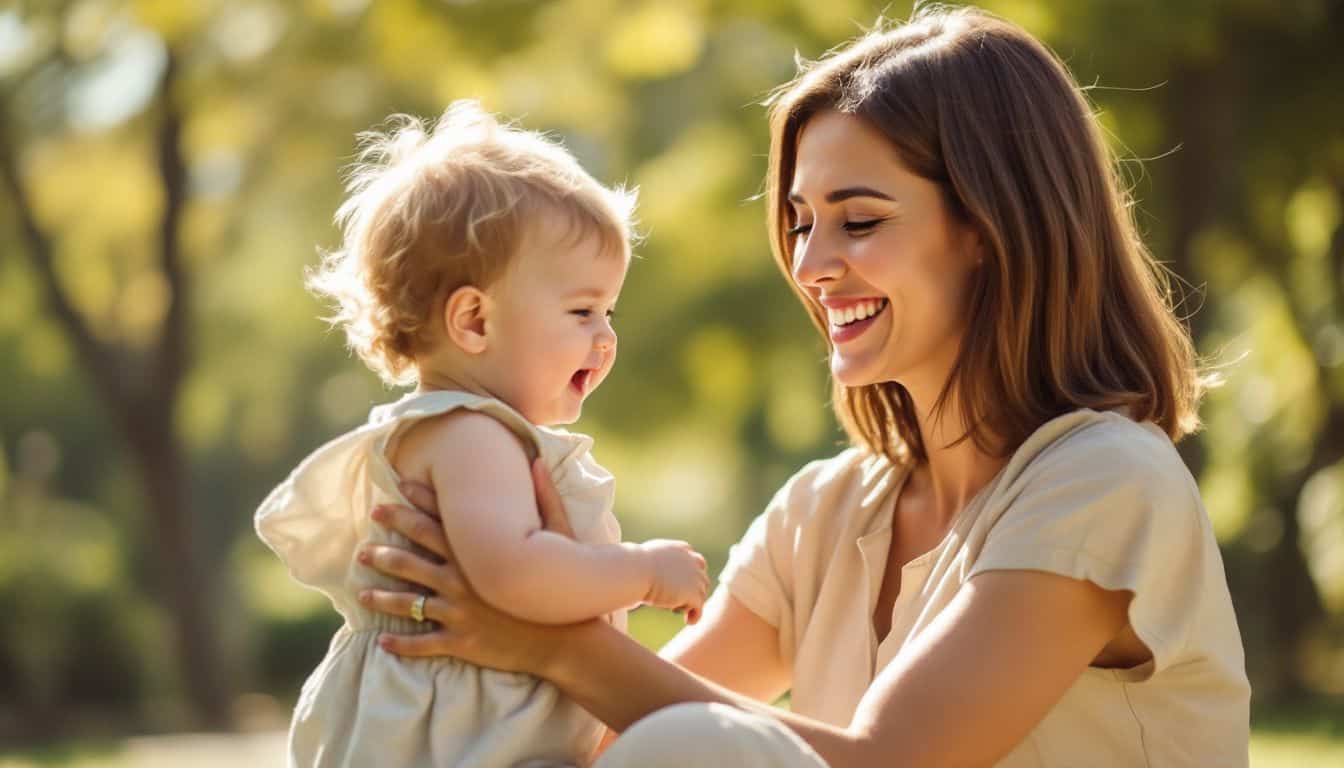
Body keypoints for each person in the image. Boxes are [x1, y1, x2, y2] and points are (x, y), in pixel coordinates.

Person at [358, 7, 1251, 766]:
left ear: (990, 226)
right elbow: (613, 740)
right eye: (798, 222)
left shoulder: (1107, 481)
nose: (813, 265)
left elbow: (888, 762)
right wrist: (481, 610)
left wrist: (552, 637)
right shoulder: (825, 514)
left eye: (859, 220)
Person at [254, 100, 710, 768]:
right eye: (582, 310)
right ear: (473, 320)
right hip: (457, 741)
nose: (606, 337)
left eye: (609, 311)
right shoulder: (471, 433)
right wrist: (643, 572)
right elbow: (515, 574)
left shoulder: (459, 429)